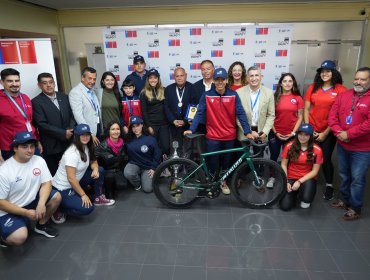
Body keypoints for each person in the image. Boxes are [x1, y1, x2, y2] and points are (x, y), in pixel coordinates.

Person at [184, 68, 253, 195]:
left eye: (222, 79)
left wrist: (247, 131)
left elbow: (241, 113)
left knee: (226, 163)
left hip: (229, 136)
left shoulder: (233, 94)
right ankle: (210, 183)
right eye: (217, 79)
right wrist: (191, 129)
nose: (220, 82)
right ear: (213, 81)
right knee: (213, 163)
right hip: (213, 137)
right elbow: (199, 114)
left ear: (227, 80)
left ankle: (223, 182)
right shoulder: (206, 95)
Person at [0, 132, 61, 247]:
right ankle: (3, 238)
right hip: (8, 209)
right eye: (24, 147)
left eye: (32, 146)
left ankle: (41, 225)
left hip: (30, 201)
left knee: (56, 197)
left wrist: (41, 204)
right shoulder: (4, 171)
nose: (30, 150)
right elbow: (1, 203)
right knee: (19, 237)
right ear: (15, 148)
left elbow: (46, 183)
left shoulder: (39, 160)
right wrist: (26, 213)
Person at [328, 67, 370, 220]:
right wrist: (339, 132)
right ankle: (344, 200)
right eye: (357, 78)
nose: (358, 82)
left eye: (363, 79)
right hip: (343, 144)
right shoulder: (344, 95)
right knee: (344, 175)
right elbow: (332, 116)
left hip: (363, 149)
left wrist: (349, 134)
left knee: (357, 178)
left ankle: (355, 207)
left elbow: (368, 124)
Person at [51, 124, 114, 224]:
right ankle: (58, 208)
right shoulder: (72, 153)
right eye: (82, 135)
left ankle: (98, 198)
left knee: (100, 170)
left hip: (77, 181)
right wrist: (83, 195)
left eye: (87, 135)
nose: (85, 137)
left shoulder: (87, 146)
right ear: (76, 136)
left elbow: (94, 161)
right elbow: (71, 178)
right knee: (87, 208)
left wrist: (95, 169)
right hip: (63, 188)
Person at [304, 60, 347, 201]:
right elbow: (306, 108)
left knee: (326, 159)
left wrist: (325, 133)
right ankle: (307, 181)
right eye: (322, 71)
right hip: (311, 130)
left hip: (328, 131)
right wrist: (308, 129)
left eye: (328, 71)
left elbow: (339, 114)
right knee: (309, 156)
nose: (325, 74)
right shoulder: (313, 87)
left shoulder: (340, 90)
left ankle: (329, 185)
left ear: (334, 72)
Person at [32, 73, 76, 176]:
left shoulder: (64, 96)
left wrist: (70, 130)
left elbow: (72, 116)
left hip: (68, 142)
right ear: (39, 85)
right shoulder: (36, 102)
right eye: (45, 83)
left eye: (51, 82)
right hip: (51, 145)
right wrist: (63, 133)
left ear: (54, 83)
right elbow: (41, 124)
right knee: (56, 174)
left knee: (71, 172)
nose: (49, 85)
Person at [279, 124, 323, 211]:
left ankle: (303, 191)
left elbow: (315, 171)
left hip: (307, 178)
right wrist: (286, 180)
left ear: (310, 136)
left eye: (306, 135)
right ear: (297, 134)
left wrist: (299, 181)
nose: (302, 137)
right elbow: (283, 164)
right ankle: (294, 193)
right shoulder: (289, 146)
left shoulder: (317, 150)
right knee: (285, 206)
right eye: (300, 134)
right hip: (291, 177)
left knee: (306, 200)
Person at [0, 68, 39, 162]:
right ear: (2, 82)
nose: (14, 84)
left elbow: (31, 122)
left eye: (17, 80)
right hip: (12, 149)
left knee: (36, 174)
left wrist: (37, 141)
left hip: (31, 145)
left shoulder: (25, 97)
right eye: (10, 81)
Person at [269, 73, 304, 162]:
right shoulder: (274, 97)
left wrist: (293, 133)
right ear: (281, 83)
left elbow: (300, 117)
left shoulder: (298, 98)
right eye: (285, 81)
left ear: (293, 83)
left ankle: (285, 175)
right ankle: (272, 175)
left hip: (291, 134)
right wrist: (276, 132)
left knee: (289, 158)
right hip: (275, 133)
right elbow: (270, 116)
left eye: (290, 81)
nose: (287, 83)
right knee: (273, 156)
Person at [236, 66, 275, 145]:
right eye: (251, 76)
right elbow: (236, 116)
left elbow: (271, 115)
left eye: (256, 75)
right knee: (244, 157)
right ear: (247, 78)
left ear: (261, 77)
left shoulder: (269, 93)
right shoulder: (239, 93)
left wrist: (265, 132)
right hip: (244, 133)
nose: (254, 78)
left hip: (261, 133)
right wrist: (248, 132)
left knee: (259, 157)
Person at [124, 116, 161, 193]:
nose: (135, 129)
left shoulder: (150, 139)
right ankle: (137, 184)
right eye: (133, 127)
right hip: (135, 164)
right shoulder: (128, 140)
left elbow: (157, 154)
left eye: (137, 125)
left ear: (142, 125)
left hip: (148, 167)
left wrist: (154, 168)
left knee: (148, 189)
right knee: (128, 173)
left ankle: (145, 177)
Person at [139, 68, 170, 157]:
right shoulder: (143, 93)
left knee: (166, 147)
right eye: (151, 78)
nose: (153, 80)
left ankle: (164, 166)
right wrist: (148, 126)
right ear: (147, 79)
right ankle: (155, 168)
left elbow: (168, 107)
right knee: (153, 147)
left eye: (155, 77)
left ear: (158, 79)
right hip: (152, 125)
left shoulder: (164, 90)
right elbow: (144, 111)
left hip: (164, 124)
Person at [164, 67, 194, 157]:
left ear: (186, 76)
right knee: (175, 148)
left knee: (188, 149)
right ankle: (176, 167)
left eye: (182, 75)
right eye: (177, 76)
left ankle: (188, 168)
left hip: (187, 125)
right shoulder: (168, 89)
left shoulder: (192, 88)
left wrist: (185, 121)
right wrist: (173, 120)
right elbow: (166, 107)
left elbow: (194, 106)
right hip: (173, 125)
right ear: (174, 77)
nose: (180, 78)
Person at [69, 67, 102, 146]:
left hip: (97, 128)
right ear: (82, 78)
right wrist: (89, 133)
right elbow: (78, 115)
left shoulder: (92, 91)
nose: (92, 81)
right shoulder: (75, 92)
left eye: (94, 79)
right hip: (87, 133)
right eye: (89, 78)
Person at [95, 120, 127, 199]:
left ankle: (114, 184)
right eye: (113, 129)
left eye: (117, 129)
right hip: (107, 172)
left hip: (118, 170)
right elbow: (92, 158)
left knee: (122, 185)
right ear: (108, 131)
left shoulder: (123, 144)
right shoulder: (102, 146)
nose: (115, 131)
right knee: (110, 179)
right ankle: (105, 188)